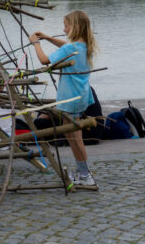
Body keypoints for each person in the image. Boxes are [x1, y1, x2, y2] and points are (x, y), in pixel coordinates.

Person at [29, 10, 97, 186]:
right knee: (72, 135)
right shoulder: (85, 46)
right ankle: (82, 172)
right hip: (81, 97)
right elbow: (65, 46)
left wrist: (36, 43)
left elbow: (44, 60)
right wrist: (47, 37)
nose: (64, 29)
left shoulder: (70, 48)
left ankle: (85, 175)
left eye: (66, 25)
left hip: (70, 99)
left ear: (74, 27)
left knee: (75, 137)